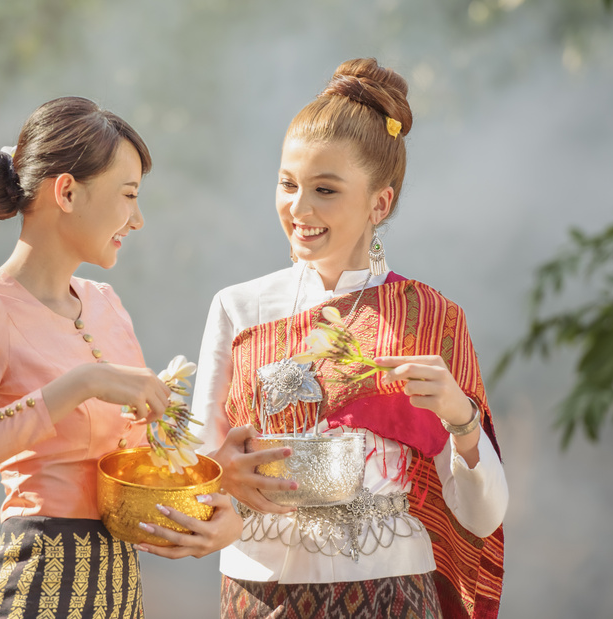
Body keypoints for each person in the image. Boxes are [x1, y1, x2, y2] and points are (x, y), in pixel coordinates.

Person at [190, 59, 509, 619]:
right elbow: (196, 475)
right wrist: (220, 474)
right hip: (258, 594)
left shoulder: (431, 318)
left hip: (392, 590)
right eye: (288, 185)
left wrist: (461, 417)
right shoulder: (237, 309)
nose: (299, 208)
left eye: (325, 190)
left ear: (378, 204)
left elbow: (481, 517)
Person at [0, 96, 239, 619]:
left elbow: (136, 464)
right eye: (128, 195)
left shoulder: (107, 305)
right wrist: (81, 384)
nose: (137, 219)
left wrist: (219, 500)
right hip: (30, 590)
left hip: (117, 594)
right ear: (66, 191)